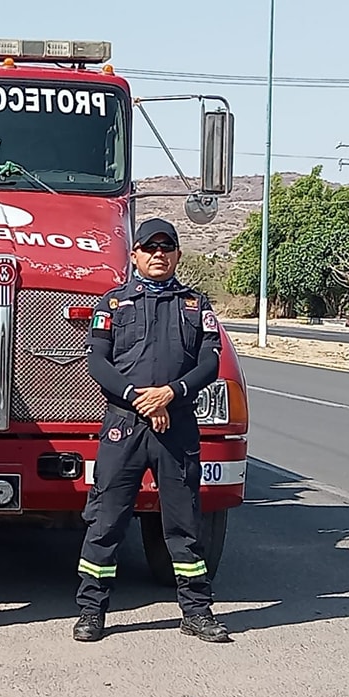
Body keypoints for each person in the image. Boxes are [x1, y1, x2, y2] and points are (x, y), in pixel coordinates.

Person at [73, 217, 231, 643]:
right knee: (106, 523)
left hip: (176, 427)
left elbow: (209, 364)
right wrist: (141, 398)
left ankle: (196, 612)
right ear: (135, 255)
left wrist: (171, 395)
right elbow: (98, 364)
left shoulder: (197, 307)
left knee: (184, 527)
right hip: (124, 426)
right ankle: (91, 612)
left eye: (167, 247)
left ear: (178, 254)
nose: (158, 254)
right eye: (149, 248)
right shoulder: (112, 305)